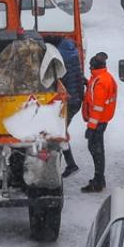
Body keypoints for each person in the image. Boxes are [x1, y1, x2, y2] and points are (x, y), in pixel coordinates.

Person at [80, 52, 117, 193]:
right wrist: (88, 83)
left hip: (98, 122)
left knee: (96, 150)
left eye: (90, 66)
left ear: (94, 66)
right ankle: (99, 179)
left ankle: (98, 181)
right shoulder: (104, 78)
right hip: (103, 120)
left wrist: (91, 127)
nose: (89, 68)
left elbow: (97, 107)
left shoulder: (100, 82)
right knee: (97, 149)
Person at [56, 38, 86, 179]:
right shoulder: (74, 57)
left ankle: (71, 164)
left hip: (70, 102)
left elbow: (59, 81)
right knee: (61, 130)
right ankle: (69, 163)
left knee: (59, 132)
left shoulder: (62, 62)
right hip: (77, 100)